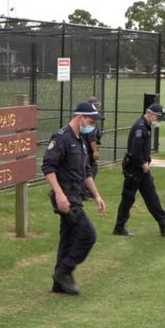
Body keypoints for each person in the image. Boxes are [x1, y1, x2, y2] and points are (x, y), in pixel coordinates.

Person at [42, 102, 106, 295]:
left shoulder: (81, 141)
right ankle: (64, 272)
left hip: (76, 195)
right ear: (80, 117)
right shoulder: (61, 138)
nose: (92, 125)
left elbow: (86, 172)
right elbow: (48, 168)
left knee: (68, 238)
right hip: (66, 197)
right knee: (88, 235)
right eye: (91, 120)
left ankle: (58, 283)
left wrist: (96, 195)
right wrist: (60, 194)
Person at [113, 103, 165, 237]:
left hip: (142, 170)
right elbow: (134, 151)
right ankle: (119, 227)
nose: (159, 121)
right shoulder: (140, 127)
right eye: (158, 118)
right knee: (128, 198)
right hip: (134, 169)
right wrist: (143, 163)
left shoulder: (146, 126)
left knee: (152, 196)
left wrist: (145, 164)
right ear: (151, 114)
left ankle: (163, 225)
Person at [82, 97, 103, 200]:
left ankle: (86, 191)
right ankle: (85, 192)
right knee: (90, 169)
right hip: (87, 149)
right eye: (96, 105)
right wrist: (95, 151)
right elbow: (91, 137)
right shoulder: (90, 118)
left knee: (87, 169)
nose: (98, 107)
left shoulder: (90, 117)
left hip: (85, 148)